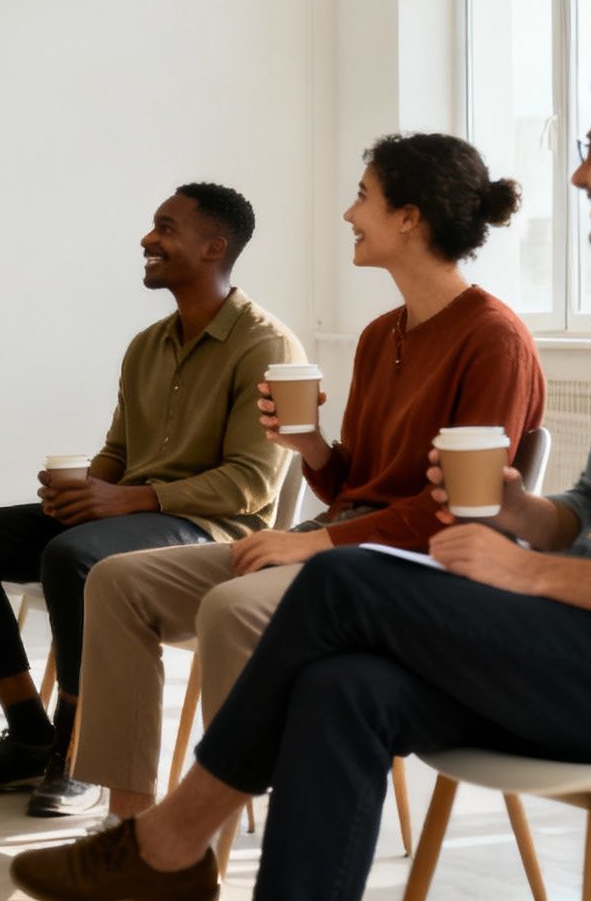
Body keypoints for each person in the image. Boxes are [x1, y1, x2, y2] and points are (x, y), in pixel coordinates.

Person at [12, 52, 591, 901]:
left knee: (341, 581)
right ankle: (170, 851)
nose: (579, 171)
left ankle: (170, 844)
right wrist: (530, 513)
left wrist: (528, 568)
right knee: (343, 688)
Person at [68, 132, 544, 824]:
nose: (350, 214)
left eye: (364, 197)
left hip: (419, 567)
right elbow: (361, 483)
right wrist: (311, 445)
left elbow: (461, 513)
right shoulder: (383, 335)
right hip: (345, 542)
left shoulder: (494, 339)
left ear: (409, 217)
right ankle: (129, 825)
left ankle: (221, 829)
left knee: (234, 606)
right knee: (117, 582)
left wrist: (316, 546)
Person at [0, 184, 300, 816]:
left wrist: (127, 500)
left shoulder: (265, 346)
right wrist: (85, 487)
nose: (148, 239)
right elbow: (119, 454)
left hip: (213, 532)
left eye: (165, 227)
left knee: (75, 557)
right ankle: (29, 735)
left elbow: (251, 485)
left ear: (214, 247)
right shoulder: (147, 345)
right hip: (131, 516)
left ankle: (79, 753)